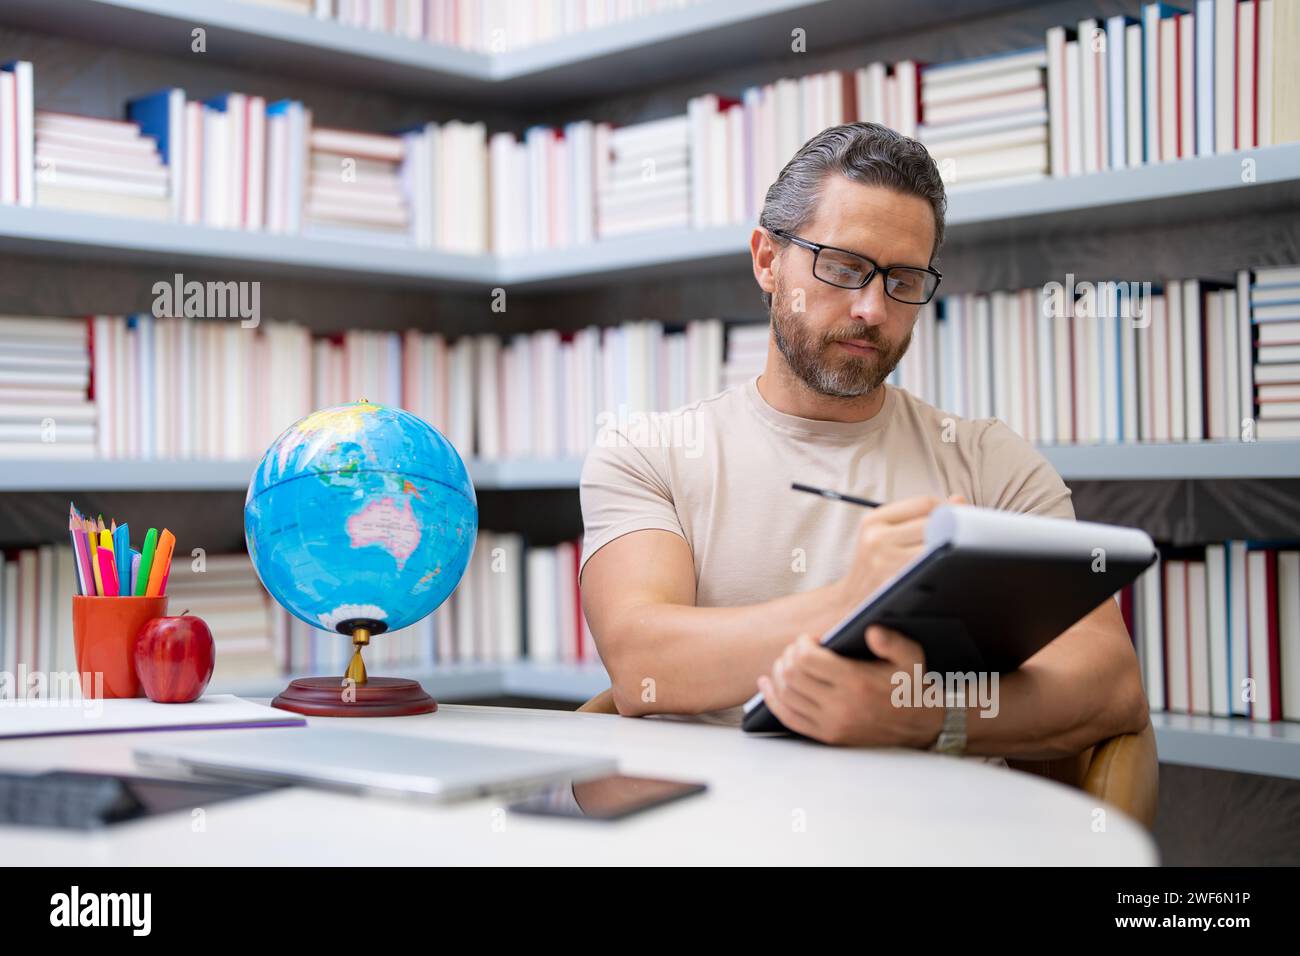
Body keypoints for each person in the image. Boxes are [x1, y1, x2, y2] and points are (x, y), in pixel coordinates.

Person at [578, 122, 1148, 758]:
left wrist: (917, 715)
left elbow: (1110, 682)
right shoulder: (649, 453)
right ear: (768, 261)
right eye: (845, 267)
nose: (873, 310)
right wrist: (854, 600)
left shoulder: (992, 463)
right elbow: (641, 662)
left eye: (903, 281)